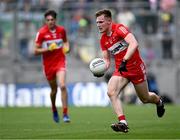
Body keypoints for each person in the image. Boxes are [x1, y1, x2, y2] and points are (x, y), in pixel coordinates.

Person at [95, 9, 165, 133]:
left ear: (109, 21)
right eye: (97, 22)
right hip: (121, 70)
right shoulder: (103, 39)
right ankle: (123, 122)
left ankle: (159, 102)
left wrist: (124, 60)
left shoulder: (119, 29)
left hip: (135, 68)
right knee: (111, 92)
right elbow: (106, 60)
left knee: (145, 98)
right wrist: (100, 69)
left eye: (101, 22)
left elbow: (134, 43)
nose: (98, 25)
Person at [34, 10, 70, 123]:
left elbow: (65, 42)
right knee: (53, 90)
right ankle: (54, 108)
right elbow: (35, 51)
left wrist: (66, 48)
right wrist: (47, 49)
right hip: (48, 65)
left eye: (52, 20)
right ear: (45, 21)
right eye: (48, 20)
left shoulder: (61, 30)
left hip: (60, 62)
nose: (50, 22)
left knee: (63, 86)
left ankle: (65, 113)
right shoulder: (41, 33)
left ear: (55, 20)